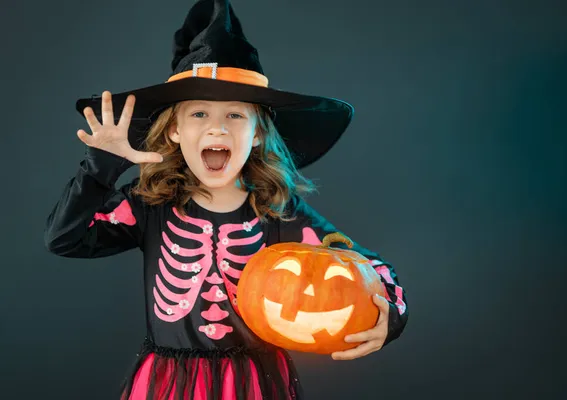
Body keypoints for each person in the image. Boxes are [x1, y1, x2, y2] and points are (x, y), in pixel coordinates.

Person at [44, 1, 409, 399]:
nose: (217, 127)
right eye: (198, 114)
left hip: (254, 382)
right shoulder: (150, 204)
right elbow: (65, 238)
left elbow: (364, 266)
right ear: (174, 132)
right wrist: (101, 168)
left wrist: (392, 317)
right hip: (168, 383)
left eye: (235, 115)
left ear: (257, 135)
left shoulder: (276, 211)